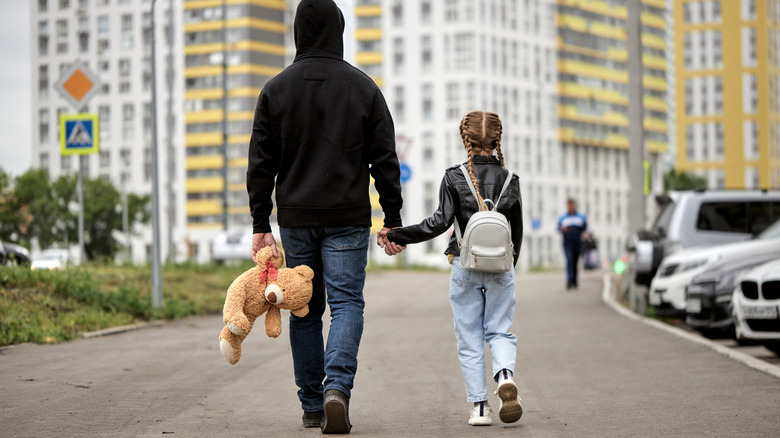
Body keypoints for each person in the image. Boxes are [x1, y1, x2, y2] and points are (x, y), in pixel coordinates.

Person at [246, 0, 405, 433]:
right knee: (347, 302)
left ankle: (313, 406)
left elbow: (261, 163)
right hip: (348, 217)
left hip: (296, 218)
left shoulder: (275, 90)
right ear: (339, 29)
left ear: (298, 31)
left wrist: (261, 223)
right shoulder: (363, 88)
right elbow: (385, 159)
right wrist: (392, 216)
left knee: (305, 308)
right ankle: (337, 388)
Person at [381, 111, 524, 427]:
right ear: (498, 140)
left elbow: (438, 223)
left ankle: (481, 409)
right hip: (501, 268)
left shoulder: (454, 177)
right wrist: (507, 268)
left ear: (466, 140)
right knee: (500, 329)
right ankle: (504, 375)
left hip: (465, 266)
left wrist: (395, 234)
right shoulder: (511, 180)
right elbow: (517, 234)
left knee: (469, 338)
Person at [557, 198, 589, 289]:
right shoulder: (563, 217)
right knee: (569, 260)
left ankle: (575, 280)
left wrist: (586, 234)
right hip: (567, 243)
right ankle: (569, 280)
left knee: (575, 262)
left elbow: (585, 228)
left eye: (572, 205)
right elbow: (558, 228)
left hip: (578, 242)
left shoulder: (581, 217)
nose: (571, 207)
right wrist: (562, 229)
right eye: (569, 205)